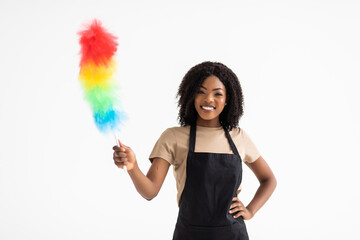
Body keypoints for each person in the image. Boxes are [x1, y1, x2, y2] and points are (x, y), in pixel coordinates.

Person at [113, 61, 277, 239]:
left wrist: (251, 210)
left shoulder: (239, 137)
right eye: (201, 92)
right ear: (191, 95)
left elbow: (269, 180)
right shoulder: (173, 137)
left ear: (227, 99)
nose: (208, 99)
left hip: (232, 234)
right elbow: (150, 191)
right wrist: (132, 166)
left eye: (217, 94)